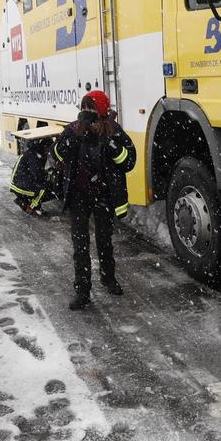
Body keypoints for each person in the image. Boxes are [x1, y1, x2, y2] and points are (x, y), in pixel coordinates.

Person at [52, 90, 136, 310]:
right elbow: (57, 155)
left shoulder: (114, 131)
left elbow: (129, 162)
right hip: (79, 196)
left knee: (104, 241)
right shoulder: (72, 130)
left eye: (91, 108)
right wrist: (73, 138)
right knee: (80, 245)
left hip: (104, 196)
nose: (86, 112)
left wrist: (111, 145)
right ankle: (82, 290)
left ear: (101, 111)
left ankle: (108, 279)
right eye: (84, 108)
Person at [9, 136, 54, 214]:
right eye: (48, 149)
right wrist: (48, 173)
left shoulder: (33, 152)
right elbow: (38, 175)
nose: (49, 152)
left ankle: (23, 200)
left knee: (42, 185)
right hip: (19, 185)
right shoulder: (34, 156)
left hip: (18, 182)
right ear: (44, 147)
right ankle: (30, 207)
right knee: (45, 189)